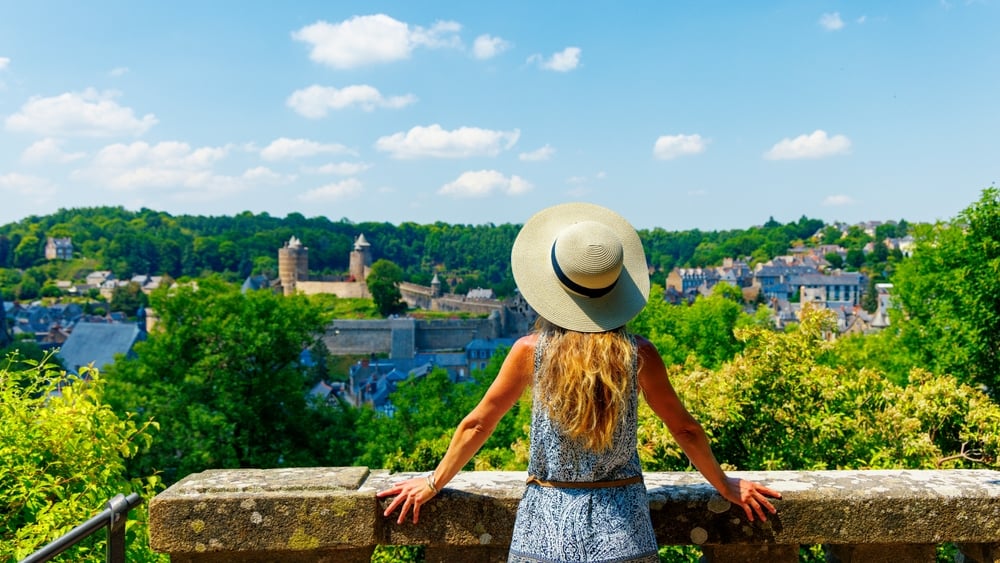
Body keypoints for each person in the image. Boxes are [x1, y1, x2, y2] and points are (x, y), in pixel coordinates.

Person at [377, 202, 781, 562]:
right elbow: (685, 429)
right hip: (624, 530)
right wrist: (725, 484)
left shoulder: (529, 351)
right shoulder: (638, 354)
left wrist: (433, 481)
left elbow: (478, 424)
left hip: (544, 531)